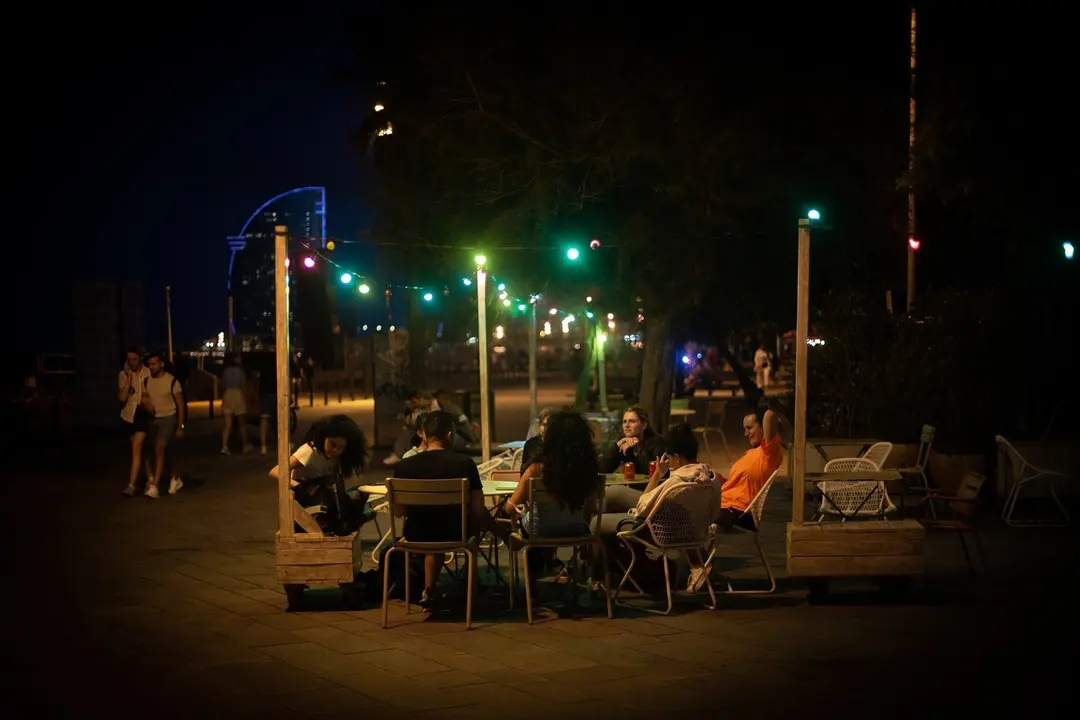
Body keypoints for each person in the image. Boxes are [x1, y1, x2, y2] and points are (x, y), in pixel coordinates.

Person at [593, 423, 720, 589]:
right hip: (691, 528)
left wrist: (657, 475)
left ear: (678, 457)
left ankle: (597, 578)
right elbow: (714, 512)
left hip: (659, 531)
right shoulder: (710, 478)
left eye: (670, 458)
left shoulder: (677, 482)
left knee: (597, 521)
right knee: (614, 493)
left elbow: (642, 507)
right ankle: (612, 563)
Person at [391, 411, 485, 610]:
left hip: (415, 535)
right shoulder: (464, 464)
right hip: (454, 534)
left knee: (432, 523)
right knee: (470, 525)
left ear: (423, 435)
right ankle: (472, 587)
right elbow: (478, 509)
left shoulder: (404, 466)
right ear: (449, 435)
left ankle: (429, 590)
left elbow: (397, 512)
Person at [505, 410, 602, 580]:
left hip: (539, 530)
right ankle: (554, 567)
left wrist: (520, 513)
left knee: (531, 524)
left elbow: (509, 507)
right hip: (576, 530)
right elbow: (591, 508)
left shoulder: (535, 470)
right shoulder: (588, 470)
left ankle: (531, 588)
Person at [268, 415, 370, 535]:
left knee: (356, 494)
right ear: (324, 437)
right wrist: (298, 486)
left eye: (340, 447)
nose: (335, 450)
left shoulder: (336, 457)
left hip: (322, 496)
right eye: (332, 444)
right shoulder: (309, 451)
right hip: (305, 496)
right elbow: (275, 471)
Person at [715, 406, 783, 531]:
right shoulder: (753, 453)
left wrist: (763, 404)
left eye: (750, 428)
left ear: (763, 426)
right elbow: (740, 486)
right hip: (726, 503)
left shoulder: (769, 453)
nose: (746, 433)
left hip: (736, 511)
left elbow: (769, 414)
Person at [600, 406, 666, 505]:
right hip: (635, 492)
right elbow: (603, 469)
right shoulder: (625, 442)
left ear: (644, 425)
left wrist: (637, 451)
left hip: (652, 495)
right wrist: (617, 446)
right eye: (624, 421)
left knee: (612, 492)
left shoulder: (657, 444)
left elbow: (650, 474)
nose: (626, 425)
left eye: (632, 421)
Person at [141, 351, 186, 498]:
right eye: (149, 364)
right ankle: (174, 477)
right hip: (153, 419)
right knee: (155, 452)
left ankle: (155, 485)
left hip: (168, 418)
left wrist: (180, 426)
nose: (152, 367)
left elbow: (180, 404)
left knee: (160, 447)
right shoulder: (147, 381)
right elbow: (144, 399)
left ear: (161, 364)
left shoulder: (172, 381)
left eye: (154, 364)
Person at [119, 346, 151, 496]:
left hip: (142, 414)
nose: (131, 362)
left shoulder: (148, 372)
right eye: (129, 359)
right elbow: (122, 398)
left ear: (140, 359)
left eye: (134, 359)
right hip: (128, 415)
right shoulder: (123, 374)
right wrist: (129, 378)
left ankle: (131, 484)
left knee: (136, 448)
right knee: (139, 450)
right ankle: (150, 479)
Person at [220, 353, 252, 455]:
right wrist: (248, 400)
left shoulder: (225, 372)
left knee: (227, 424)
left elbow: (222, 386)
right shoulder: (240, 372)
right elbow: (243, 387)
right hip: (238, 395)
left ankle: (224, 446)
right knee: (242, 423)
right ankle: (245, 445)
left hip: (227, 395)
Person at [519, 407, 555, 476]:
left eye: (549, 425)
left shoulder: (560, 444)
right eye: (544, 425)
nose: (546, 429)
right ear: (539, 426)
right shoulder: (530, 444)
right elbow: (523, 471)